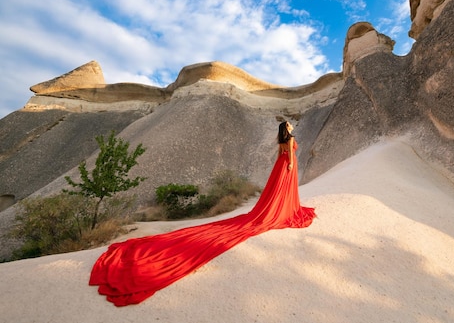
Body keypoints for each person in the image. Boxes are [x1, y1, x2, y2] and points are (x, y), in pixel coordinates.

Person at [89, 121, 316, 306]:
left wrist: (283, 167)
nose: (292, 127)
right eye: (290, 125)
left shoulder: (281, 141)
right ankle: (284, 209)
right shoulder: (292, 141)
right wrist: (289, 168)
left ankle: (280, 206)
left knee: (275, 196)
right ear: (287, 129)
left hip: (280, 169)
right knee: (280, 198)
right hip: (287, 168)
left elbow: (280, 156)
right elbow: (287, 159)